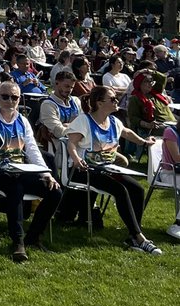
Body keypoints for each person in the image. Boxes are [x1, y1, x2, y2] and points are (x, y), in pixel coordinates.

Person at [0, 79, 63, 262]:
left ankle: (33, 236)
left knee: (55, 191)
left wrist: (47, 174)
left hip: (20, 170)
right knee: (15, 187)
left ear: (19, 99)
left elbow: (33, 150)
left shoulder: (23, 121)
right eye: (5, 97)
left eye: (14, 97)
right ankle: (17, 241)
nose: (10, 101)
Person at [66, 85, 162, 255]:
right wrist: (77, 159)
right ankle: (139, 238)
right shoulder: (84, 120)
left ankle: (133, 235)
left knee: (137, 190)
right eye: (112, 99)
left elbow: (127, 133)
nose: (116, 101)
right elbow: (71, 143)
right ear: (99, 103)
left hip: (107, 170)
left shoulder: (114, 121)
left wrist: (144, 142)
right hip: (84, 171)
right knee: (120, 190)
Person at [127, 70, 174, 136]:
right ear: (140, 84)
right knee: (171, 131)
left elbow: (163, 78)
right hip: (157, 126)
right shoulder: (135, 98)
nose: (150, 83)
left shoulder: (155, 93)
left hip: (171, 122)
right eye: (147, 81)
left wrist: (150, 71)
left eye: (151, 81)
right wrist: (147, 125)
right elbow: (133, 118)